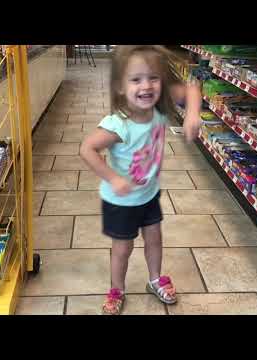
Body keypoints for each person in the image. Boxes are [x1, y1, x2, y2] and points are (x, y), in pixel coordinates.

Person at [80, 45, 201, 315]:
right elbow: (87, 149)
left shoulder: (159, 107)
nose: (146, 86)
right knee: (122, 249)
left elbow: (192, 90)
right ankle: (117, 289)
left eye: (152, 77)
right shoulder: (118, 124)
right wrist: (112, 178)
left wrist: (192, 114)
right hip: (121, 201)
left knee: (155, 239)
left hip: (149, 194)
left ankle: (155, 279)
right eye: (136, 79)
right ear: (120, 86)